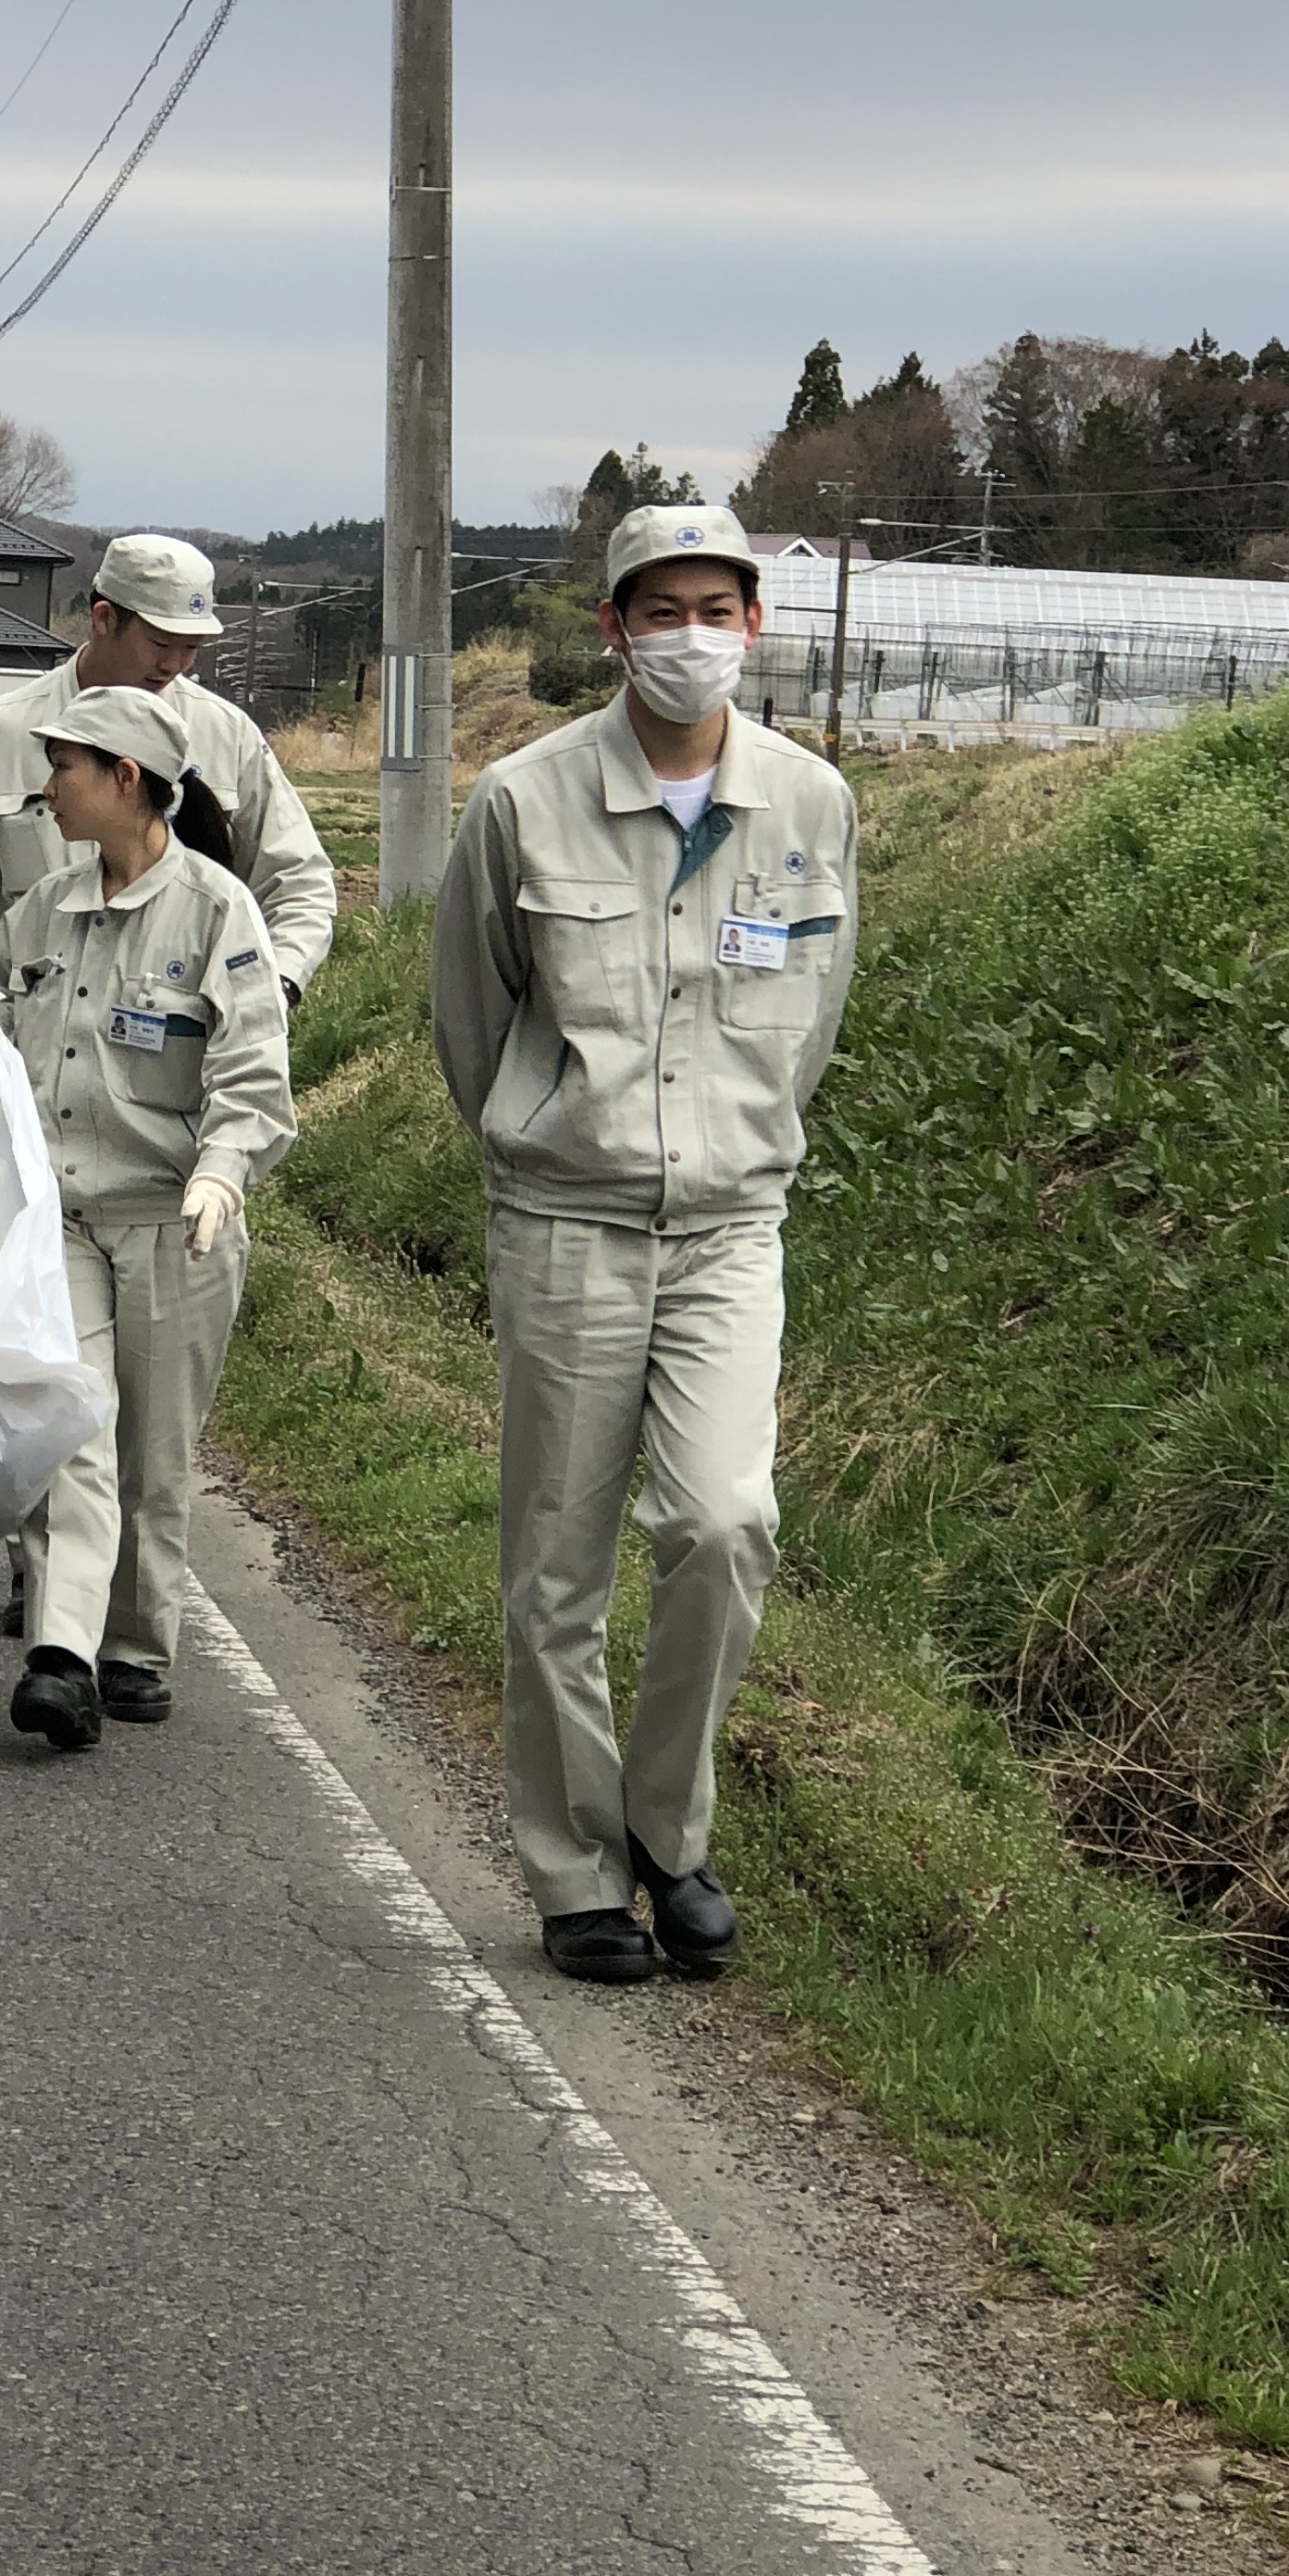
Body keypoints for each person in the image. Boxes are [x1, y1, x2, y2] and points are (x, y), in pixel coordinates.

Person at [428, 503, 857, 1988]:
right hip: (567, 1219)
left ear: (755, 622)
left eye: (716, 608)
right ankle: (573, 1871)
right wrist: (550, 1134)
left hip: (734, 1223)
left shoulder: (812, 803)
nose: (692, 637)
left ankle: (667, 1834)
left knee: (725, 1524)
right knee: (556, 1563)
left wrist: (729, 1141)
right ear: (612, 629)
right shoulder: (523, 801)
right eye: (661, 610)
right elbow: (473, 1023)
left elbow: (815, 1015)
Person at [0, 530, 336, 1633]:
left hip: (170, 1104)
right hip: (33, 1093)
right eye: (160, 644)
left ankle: (122, 1620)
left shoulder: (226, 741)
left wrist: (265, 990)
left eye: (195, 648)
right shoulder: (5, 740)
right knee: (56, 1374)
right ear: (102, 619)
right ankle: (61, 1599)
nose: (177, 668)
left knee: (154, 1417)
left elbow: (301, 883)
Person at [0, 686, 296, 1750]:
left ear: (125, 779)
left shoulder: (217, 911)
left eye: (64, 766)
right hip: (61, 1218)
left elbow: (253, 1077)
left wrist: (223, 1173)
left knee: (155, 1455)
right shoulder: (41, 908)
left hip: (176, 1221)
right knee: (74, 1427)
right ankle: (61, 1652)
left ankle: (133, 1648)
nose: (47, 787)